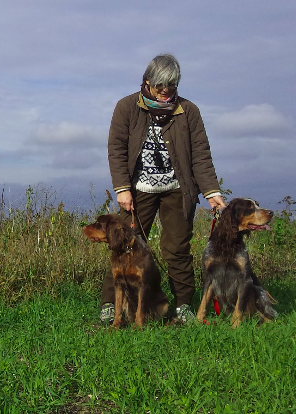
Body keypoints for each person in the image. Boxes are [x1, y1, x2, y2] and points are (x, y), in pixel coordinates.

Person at [101, 54, 227, 324]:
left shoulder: (188, 111)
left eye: (170, 85)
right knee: (123, 246)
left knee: (177, 249)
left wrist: (212, 193)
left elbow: (201, 155)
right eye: (160, 86)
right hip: (137, 191)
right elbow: (116, 149)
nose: (165, 91)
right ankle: (111, 305)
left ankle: (182, 306)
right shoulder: (126, 107)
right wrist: (122, 188)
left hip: (177, 191)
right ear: (147, 82)